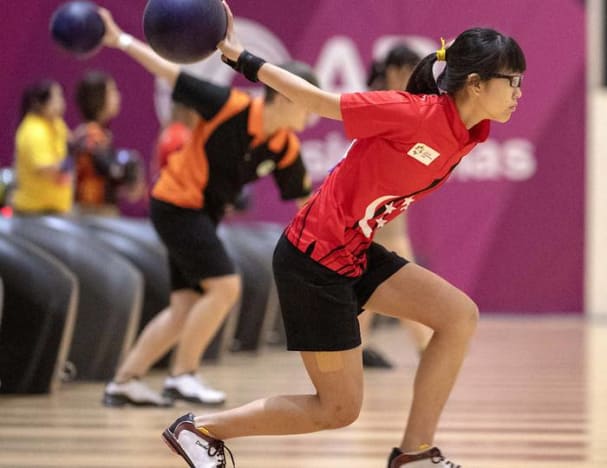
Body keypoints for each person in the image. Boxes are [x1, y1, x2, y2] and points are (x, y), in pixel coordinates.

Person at [161, 4, 525, 467]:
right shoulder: (412, 112)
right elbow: (320, 103)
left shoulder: (470, 132)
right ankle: (200, 431)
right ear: (475, 83)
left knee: (458, 317)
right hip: (312, 261)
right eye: (511, 80)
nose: (518, 92)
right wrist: (243, 59)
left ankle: (415, 453)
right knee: (337, 409)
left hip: (353, 251)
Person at [97, 9, 315, 408]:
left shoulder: (285, 147)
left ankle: (123, 382)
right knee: (224, 286)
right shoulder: (227, 105)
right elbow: (169, 73)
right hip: (175, 204)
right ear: (284, 95)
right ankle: (182, 376)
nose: (312, 112)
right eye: (306, 102)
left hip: (201, 215)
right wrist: (120, 40)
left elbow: (308, 206)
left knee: (183, 308)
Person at [360, 44, 432, 369]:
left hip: (390, 211)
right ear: (395, 71)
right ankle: (426, 347)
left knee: (369, 288)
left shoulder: (405, 104)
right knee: (402, 283)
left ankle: (357, 348)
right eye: (410, 70)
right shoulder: (384, 104)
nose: (416, 77)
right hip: (377, 213)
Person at [73, 70, 145, 215]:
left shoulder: (99, 134)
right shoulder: (91, 135)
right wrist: (127, 169)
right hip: (91, 215)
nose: (118, 96)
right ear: (98, 98)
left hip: (97, 213)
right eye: (112, 91)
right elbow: (107, 168)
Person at [12, 79, 73, 216]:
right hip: (34, 213)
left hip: (56, 210)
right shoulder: (33, 130)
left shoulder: (57, 124)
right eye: (56, 97)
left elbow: (71, 142)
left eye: (61, 96)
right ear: (39, 103)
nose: (61, 102)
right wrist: (70, 161)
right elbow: (45, 168)